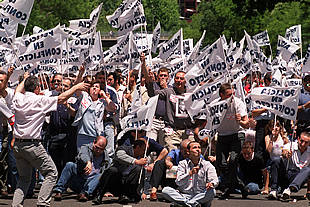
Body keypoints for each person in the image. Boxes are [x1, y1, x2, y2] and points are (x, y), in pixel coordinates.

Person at [11, 74, 89, 207]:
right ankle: (42, 203)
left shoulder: (18, 98)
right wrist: (76, 87)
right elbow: (61, 98)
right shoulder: (39, 100)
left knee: (24, 179)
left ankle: (16, 204)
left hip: (18, 145)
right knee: (52, 173)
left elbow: (18, 89)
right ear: (37, 88)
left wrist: (24, 79)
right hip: (32, 144)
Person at [212, 83, 249, 199]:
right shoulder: (215, 105)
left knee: (233, 160)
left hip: (237, 135)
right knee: (221, 163)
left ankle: (228, 187)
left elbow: (246, 123)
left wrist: (240, 121)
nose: (231, 97)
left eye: (232, 94)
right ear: (221, 95)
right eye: (228, 95)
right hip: (222, 135)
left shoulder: (238, 103)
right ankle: (239, 185)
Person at [53, 136, 111, 202]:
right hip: (79, 180)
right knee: (69, 165)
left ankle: (84, 194)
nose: (98, 151)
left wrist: (104, 191)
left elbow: (107, 176)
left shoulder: (106, 158)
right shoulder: (85, 147)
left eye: (101, 149)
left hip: (92, 185)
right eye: (97, 147)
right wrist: (88, 162)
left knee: (101, 175)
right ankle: (59, 191)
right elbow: (82, 155)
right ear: (94, 142)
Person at [162, 141, 218, 207]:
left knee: (212, 191)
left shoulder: (207, 164)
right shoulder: (182, 164)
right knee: (165, 190)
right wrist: (190, 174)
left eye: (199, 147)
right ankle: (193, 204)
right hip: (184, 195)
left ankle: (185, 204)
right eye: (195, 147)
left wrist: (211, 184)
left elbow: (215, 180)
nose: (198, 149)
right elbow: (178, 182)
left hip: (200, 195)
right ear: (188, 152)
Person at [94, 139, 148, 204]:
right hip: (115, 182)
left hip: (127, 184)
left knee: (138, 169)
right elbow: (119, 155)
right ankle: (99, 195)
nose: (144, 152)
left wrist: (143, 192)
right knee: (112, 170)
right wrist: (135, 161)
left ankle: (125, 195)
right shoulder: (124, 148)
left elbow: (143, 177)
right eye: (143, 149)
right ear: (138, 147)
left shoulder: (142, 158)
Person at [268, 127, 310, 200]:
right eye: (301, 141)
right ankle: (273, 190)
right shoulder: (291, 145)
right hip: (286, 173)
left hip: (297, 177)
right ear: (298, 139)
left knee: (307, 169)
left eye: (306, 142)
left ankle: (289, 190)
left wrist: (308, 191)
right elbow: (284, 151)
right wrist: (286, 154)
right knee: (276, 160)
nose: (303, 144)